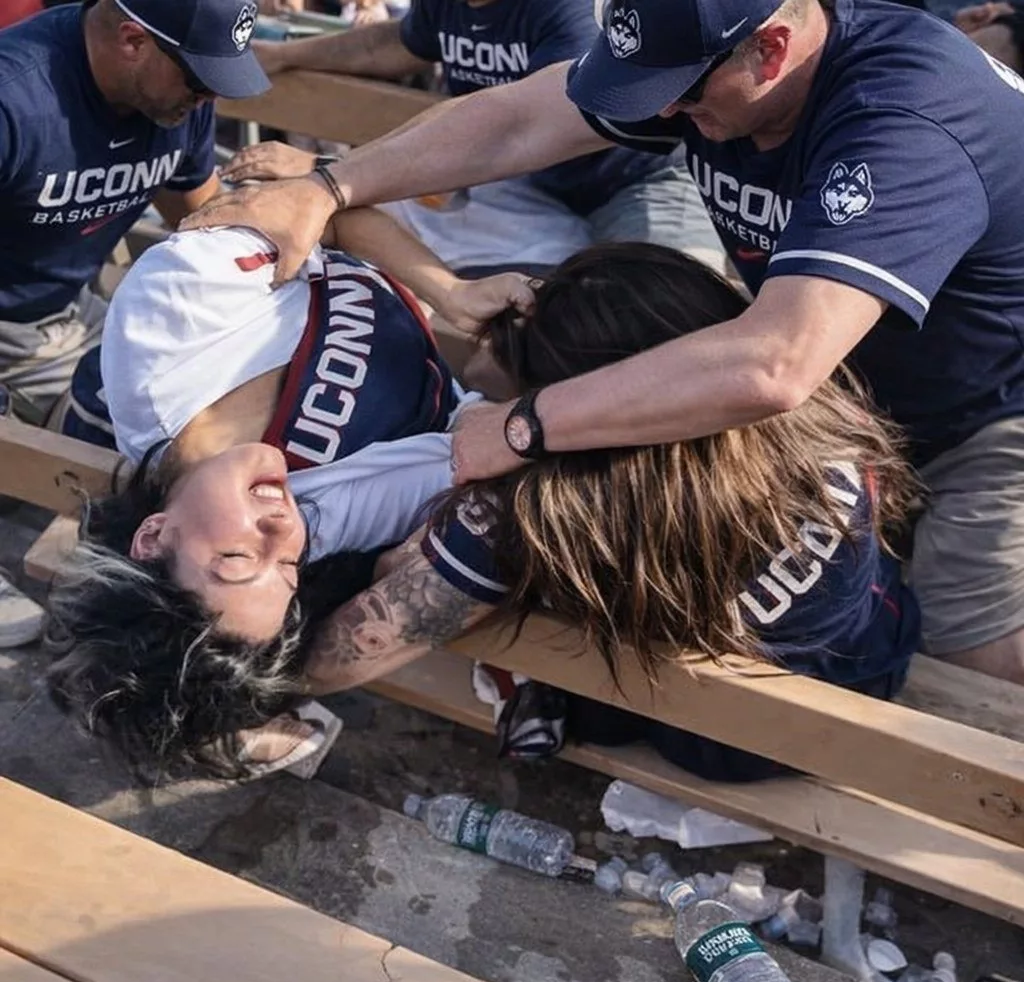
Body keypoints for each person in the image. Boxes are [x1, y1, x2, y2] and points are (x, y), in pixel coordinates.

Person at [185, 0, 1024, 686]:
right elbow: (517, 119)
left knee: (967, 645)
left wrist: (524, 426)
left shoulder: (904, 120)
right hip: (858, 381)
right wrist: (331, 187)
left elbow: (775, 362)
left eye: (683, 94)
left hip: (987, 406)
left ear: (771, 49)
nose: (660, 114)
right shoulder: (712, 51)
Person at [295, 243, 921, 782]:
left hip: (732, 740)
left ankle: (539, 697)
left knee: (415, 568)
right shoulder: (799, 394)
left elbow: (339, 657)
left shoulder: (537, 512)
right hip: (880, 630)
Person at [44, 205, 529, 776]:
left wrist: (447, 290)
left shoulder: (169, 322)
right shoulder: (323, 516)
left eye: (238, 557)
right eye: (289, 569)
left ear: (153, 535)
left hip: (435, 237)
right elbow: (491, 461)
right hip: (488, 319)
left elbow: (326, 211)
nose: (284, 532)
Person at [0, 0, 270, 647]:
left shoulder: (173, 103)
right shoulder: (16, 100)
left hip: (68, 314)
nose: (208, 99)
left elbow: (197, 217)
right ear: (132, 41)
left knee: (185, 433)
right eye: (200, 79)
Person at [228, 0, 725, 275]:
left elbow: (516, 123)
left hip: (629, 180)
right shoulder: (448, 7)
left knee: (657, 312)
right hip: (518, 180)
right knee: (356, 229)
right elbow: (392, 44)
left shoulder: (565, 11)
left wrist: (326, 173)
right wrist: (288, 55)